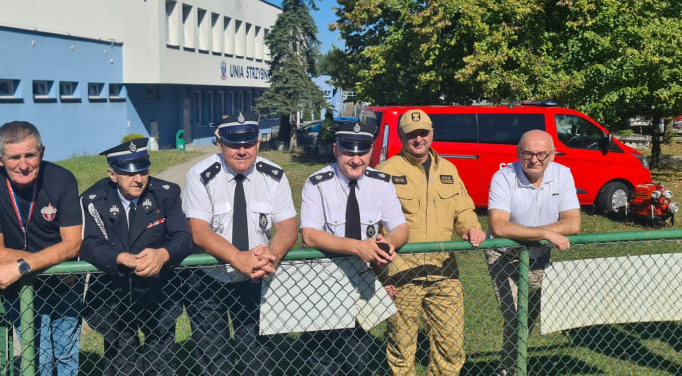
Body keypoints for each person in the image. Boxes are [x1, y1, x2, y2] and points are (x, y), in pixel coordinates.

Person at [182, 111, 298, 376]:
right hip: (208, 281)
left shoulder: (274, 175)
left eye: (249, 143)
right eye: (234, 144)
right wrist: (238, 258)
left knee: (258, 357)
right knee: (214, 361)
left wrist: (273, 255)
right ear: (220, 143)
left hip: (257, 279)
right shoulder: (200, 175)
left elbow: (288, 226)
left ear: (258, 143)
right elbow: (198, 231)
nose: (242, 151)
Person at [375, 109, 485, 376]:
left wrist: (471, 228)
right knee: (402, 346)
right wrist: (382, 274)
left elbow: (464, 209)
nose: (418, 139)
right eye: (412, 134)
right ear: (401, 135)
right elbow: (374, 223)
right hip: (401, 272)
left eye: (423, 132)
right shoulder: (385, 171)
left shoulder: (449, 169)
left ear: (432, 133)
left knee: (451, 345)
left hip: (443, 271)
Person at [300, 121, 409, 375]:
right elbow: (310, 236)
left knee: (358, 361)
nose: (357, 160)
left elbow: (401, 227)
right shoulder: (317, 183)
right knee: (320, 362)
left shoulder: (381, 183)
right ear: (336, 150)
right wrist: (358, 247)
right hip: (322, 285)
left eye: (363, 152)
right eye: (349, 152)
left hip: (361, 283)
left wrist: (389, 244)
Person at [0, 121, 82, 376]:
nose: (24, 165)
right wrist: (54, 262)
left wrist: (22, 265)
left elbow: (74, 243)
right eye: (14, 157)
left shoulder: (62, 179)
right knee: (40, 359)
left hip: (64, 287)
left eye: (30, 155)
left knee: (67, 357)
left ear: (41, 152)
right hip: (22, 288)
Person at [80, 138, 193, 375]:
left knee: (161, 361)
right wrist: (120, 257)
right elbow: (89, 244)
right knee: (121, 362)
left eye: (143, 171)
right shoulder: (94, 200)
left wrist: (163, 254)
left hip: (159, 292)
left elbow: (183, 237)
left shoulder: (166, 194)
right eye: (129, 173)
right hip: (114, 294)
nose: (139, 179)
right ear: (112, 174)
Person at [485, 129, 581, 376]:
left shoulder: (562, 174)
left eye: (542, 154)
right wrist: (546, 234)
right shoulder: (503, 177)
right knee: (516, 318)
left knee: (528, 319)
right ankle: (509, 371)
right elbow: (499, 226)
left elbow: (573, 223)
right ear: (518, 153)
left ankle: (514, 364)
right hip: (504, 256)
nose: (534, 159)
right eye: (528, 153)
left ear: (552, 154)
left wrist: (533, 234)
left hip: (539, 257)